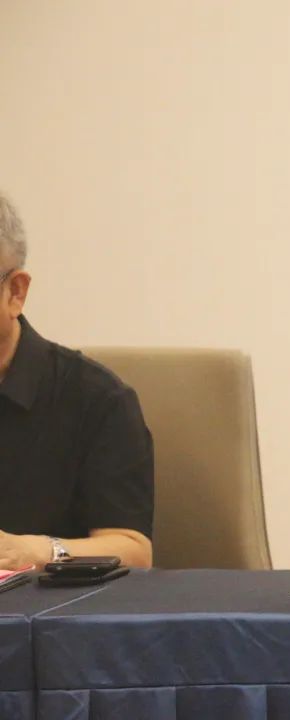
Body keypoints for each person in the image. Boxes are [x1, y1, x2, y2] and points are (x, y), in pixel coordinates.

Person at [0, 192, 154, 570]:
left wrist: (37, 552)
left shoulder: (97, 399)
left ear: (15, 292)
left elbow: (133, 551)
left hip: (47, 604)